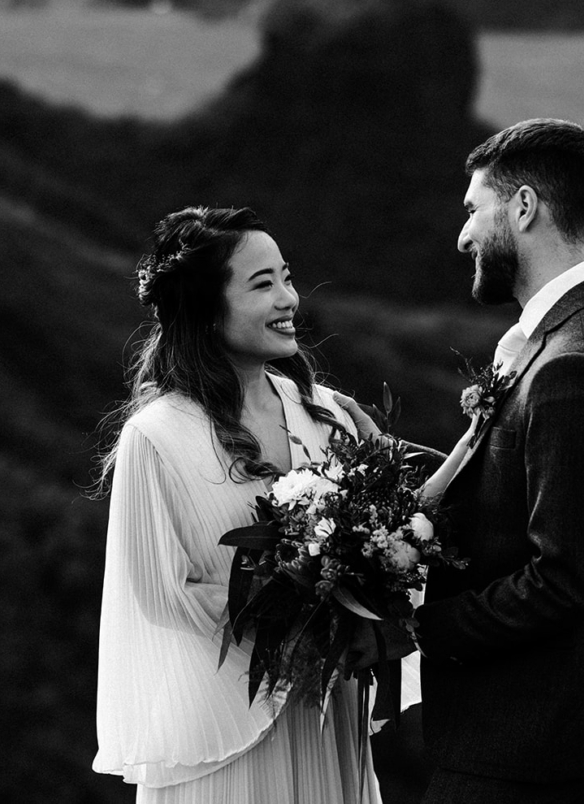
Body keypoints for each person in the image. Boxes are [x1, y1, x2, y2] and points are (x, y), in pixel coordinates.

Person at [340, 118, 584, 803]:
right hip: (535, 741)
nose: (463, 237)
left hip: (524, 750)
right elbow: (521, 486)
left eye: (473, 209)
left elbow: (561, 580)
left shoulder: (578, 365)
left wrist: (412, 627)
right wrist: (383, 470)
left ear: (523, 207)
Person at [91, 206, 383, 803]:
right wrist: (288, 626)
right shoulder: (157, 437)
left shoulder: (325, 412)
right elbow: (160, 591)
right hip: (227, 725)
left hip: (324, 713)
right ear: (206, 307)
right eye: (262, 284)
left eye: (287, 278)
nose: (288, 299)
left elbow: (380, 539)